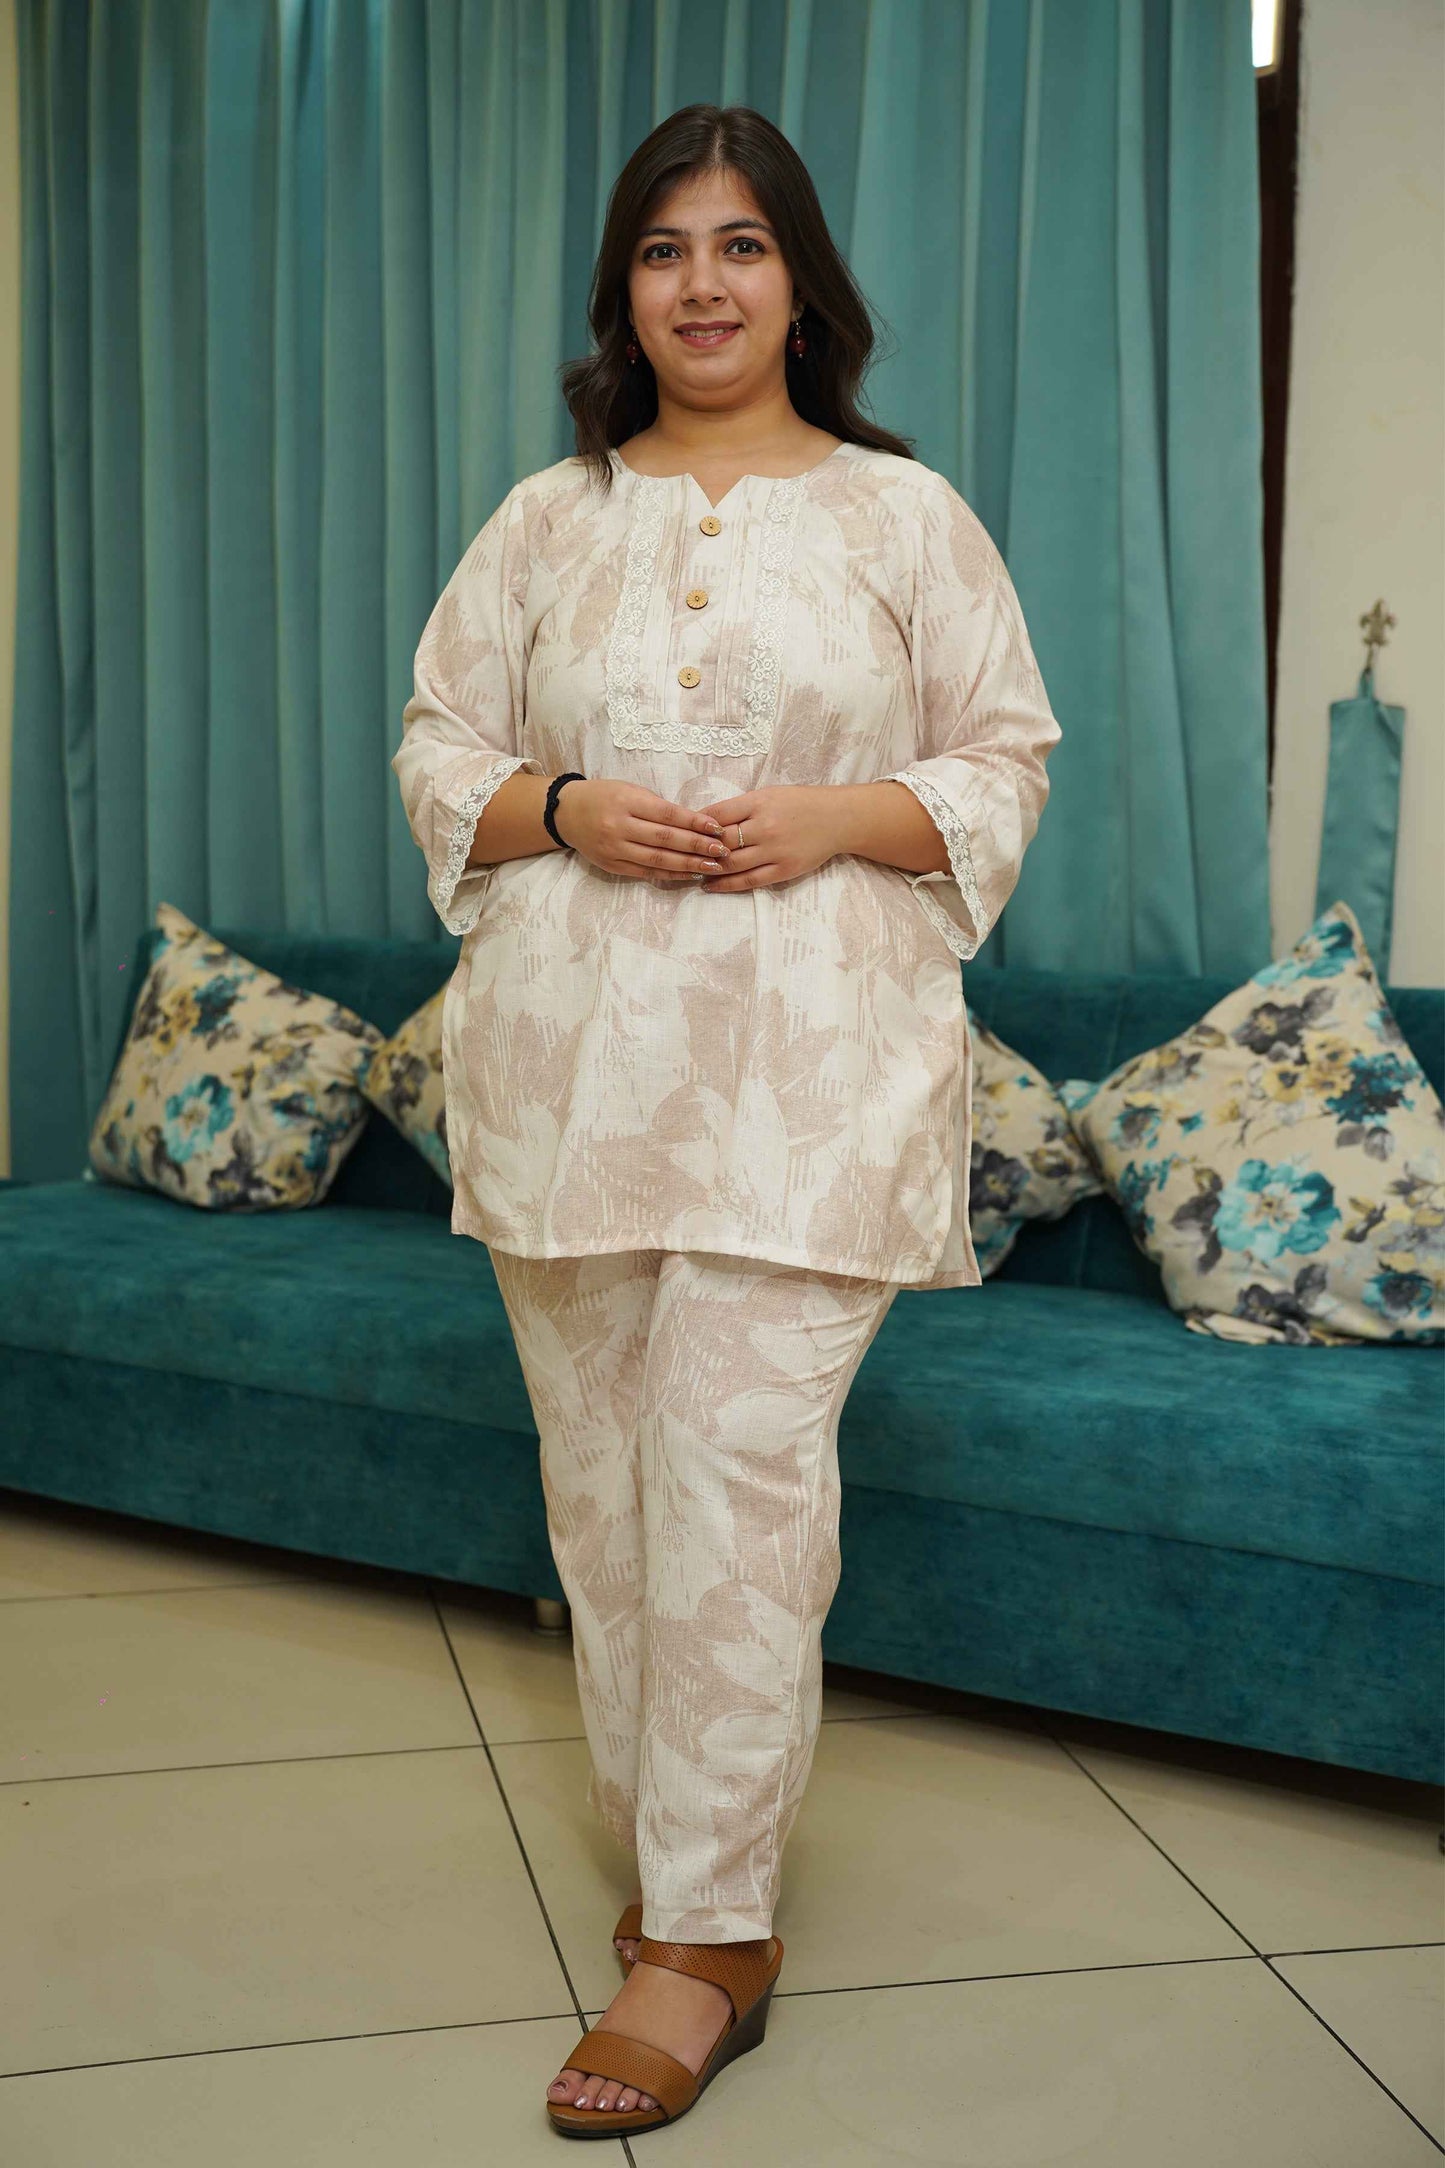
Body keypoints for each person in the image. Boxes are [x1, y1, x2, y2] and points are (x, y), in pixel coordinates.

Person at [391, 103, 1061, 2141]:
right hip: (564, 1079)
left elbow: (1005, 760)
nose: (704, 282)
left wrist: (836, 814)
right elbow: (438, 745)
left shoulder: (903, 518)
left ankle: (705, 1934)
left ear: (802, 282)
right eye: (667, 247)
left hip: (813, 1086)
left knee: (736, 1482)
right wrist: (569, 805)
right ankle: (684, 1861)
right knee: (605, 1500)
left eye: (744, 243)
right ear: (626, 289)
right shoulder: (547, 518)